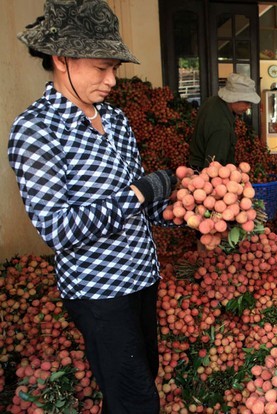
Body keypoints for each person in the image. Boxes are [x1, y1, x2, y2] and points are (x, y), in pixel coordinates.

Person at [8, 1, 177, 412]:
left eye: (114, 69)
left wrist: (184, 207)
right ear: (61, 59)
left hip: (142, 277)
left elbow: (143, 208)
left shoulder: (116, 120)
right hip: (100, 291)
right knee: (136, 399)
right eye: (102, 68)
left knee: (136, 383)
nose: (112, 80)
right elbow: (57, 229)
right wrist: (139, 192)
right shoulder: (35, 130)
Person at [189, 73, 260, 169]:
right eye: (247, 102)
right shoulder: (222, 127)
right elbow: (214, 166)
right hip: (205, 172)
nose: (248, 107)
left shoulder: (212, 101)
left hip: (196, 165)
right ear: (234, 99)